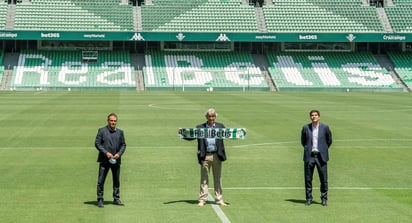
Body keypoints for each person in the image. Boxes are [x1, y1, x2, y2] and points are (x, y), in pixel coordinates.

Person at [180, 108, 227, 207]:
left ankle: (219, 199)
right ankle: (202, 199)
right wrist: (182, 133)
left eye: (213, 116)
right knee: (204, 179)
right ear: (206, 117)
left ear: (215, 117)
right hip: (205, 155)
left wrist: (241, 132)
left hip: (217, 155)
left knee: (217, 178)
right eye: (209, 116)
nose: (211, 118)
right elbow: (191, 136)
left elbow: (230, 134)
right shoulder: (200, 127)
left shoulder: (220, 126)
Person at [300, 109, 332, 206]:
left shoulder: (325, 127)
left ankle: (324, 198)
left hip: (321, 157)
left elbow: (329, 140)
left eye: (316, 115)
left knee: (323, 179)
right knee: (308, 179)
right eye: (312, 115)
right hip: (309, 156)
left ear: (319, 117)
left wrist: (323, 149)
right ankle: (309, 198)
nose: (314, 117)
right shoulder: (306, 128)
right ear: (310, 117)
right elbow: (303, 141)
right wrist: (307, 149)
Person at [95, 113, 127, 208]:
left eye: (114, 121)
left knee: (116, 180)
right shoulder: (102, 131)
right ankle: (100, 199)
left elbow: (123, 145)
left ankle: (116, 198)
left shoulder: (120, 132)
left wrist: (118, 154)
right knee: (101, 180)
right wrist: (106, 153)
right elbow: (97, 143)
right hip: (104, 160)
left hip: (116, 160)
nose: (113, 122)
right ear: (108, 121)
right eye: (111, 120)